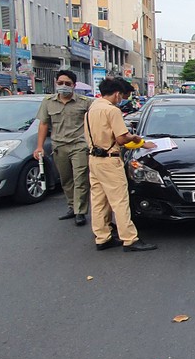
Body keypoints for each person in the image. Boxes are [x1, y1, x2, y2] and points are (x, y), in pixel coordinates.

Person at [85, 78, 157, 252]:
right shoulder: (112, 111)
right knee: (120, 201)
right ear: (117, 94)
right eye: (121, 96)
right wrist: (135, 138)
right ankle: (129, 239)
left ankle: (102, 237)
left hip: (94, 159)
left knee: (98, 200)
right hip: (110, 160)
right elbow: (121, 138)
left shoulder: (91, 110)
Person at [34, 70, 92, 226]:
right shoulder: (48, 102)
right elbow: (44, 124)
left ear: (73, 86)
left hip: (79, 145)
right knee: (66, 180)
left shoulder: (85, 102)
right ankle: (72, 207)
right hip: (59, 146)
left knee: (80, 178)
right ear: (55, 83)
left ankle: (80, 212)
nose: (63, 86)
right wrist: (39, 147)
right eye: (60, 83)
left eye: (67, 84)